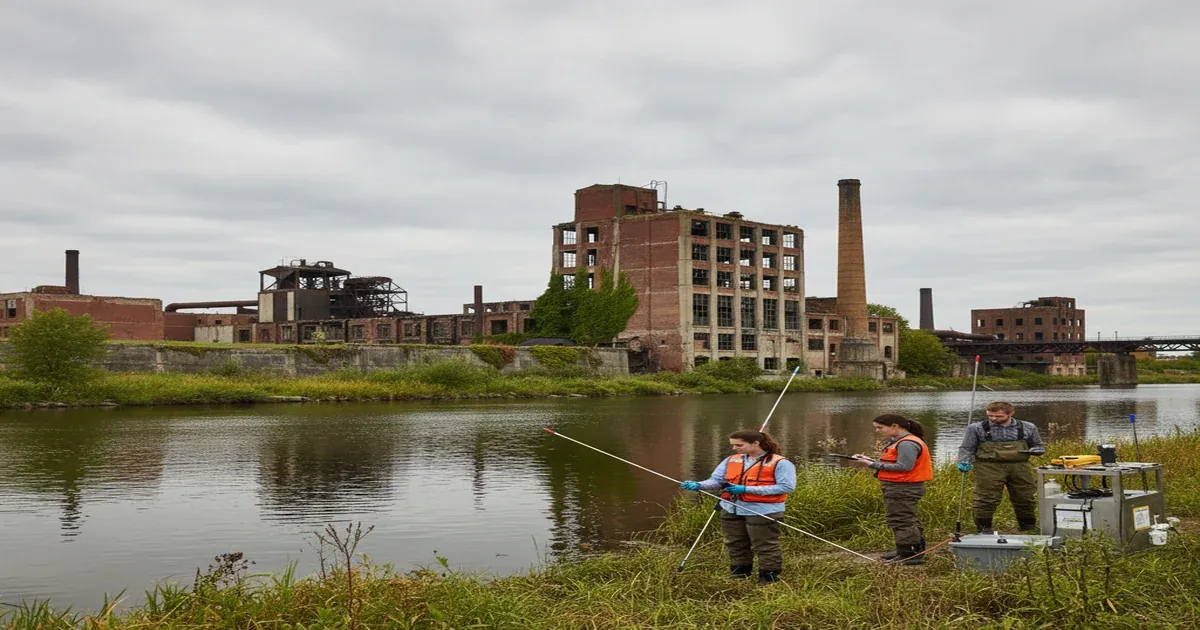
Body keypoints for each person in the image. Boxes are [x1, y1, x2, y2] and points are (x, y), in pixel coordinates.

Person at [680, 429, 796, 584]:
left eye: (739, 445)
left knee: (764, 546)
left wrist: (746, 489)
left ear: (755, 443)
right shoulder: (732, 460)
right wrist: (699, 485)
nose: (734, 448)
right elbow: (716, 481)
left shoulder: (780, 463)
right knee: (735, 543)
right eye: (733, 445)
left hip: (763, 511)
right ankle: (739, 575)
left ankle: (768, 579)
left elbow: (786, 487)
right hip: (731, 508)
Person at [845, 414, 933, 565]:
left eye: (880, 427)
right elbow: (895, 462)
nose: (878, 431)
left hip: (904, 488)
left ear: (894, 426)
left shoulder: (907, 443)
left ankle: (909, 554)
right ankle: (911, 550)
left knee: (902, 520)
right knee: (907, 518)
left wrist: (870, 465)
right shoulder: (899, 441)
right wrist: (870, 460)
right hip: (899, 486)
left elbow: (904, 467)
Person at [956, 400, 1045, 533]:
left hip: (1019, 466)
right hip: (988, 466)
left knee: (1025, 496)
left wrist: (1037, 451)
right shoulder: (976, 428)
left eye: (998, 416)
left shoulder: (1028, 427)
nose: (993, 419)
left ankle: (1028, 526)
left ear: (1011, 414)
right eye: (990, 416)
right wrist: (964, 461)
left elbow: (1038, 445)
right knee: (986, 497)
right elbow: (967, 448)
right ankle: (984, 528)